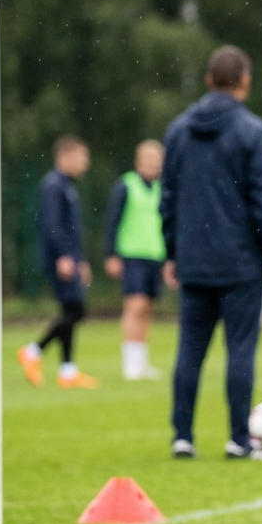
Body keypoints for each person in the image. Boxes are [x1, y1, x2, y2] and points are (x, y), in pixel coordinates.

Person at [160, 45, 262, 460]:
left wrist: (172, 251)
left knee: (190, 350)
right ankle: (239, 438)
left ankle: (183, 436)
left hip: (194, 259)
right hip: (239, 262)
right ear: (245, 81)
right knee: (240, 350)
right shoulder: (253, 132)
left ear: (208, 80)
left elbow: (168, 198)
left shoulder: (178, 131)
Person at [16, 136, 98, 389]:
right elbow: (52, 225)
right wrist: (64, 256)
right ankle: (33, 352)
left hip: (69, 258)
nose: (86, 162)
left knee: (69, 312)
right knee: (76, 311)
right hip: (59, 259)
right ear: (66, 156)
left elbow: (71, 229)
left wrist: (80, 259)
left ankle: (68, 371)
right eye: (82, 157)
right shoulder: (53, 185)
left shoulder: (67, 185)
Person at [104, 139, 166, 380]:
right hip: (132, 254)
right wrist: (111, 254)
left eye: (157, 161)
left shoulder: (161, 188)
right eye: (149, 161)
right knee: (135, 305)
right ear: (138, 162)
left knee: (148, 308)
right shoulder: (126, 185)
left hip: (154, 255)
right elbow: (112, 221)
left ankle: (141, 361)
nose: (153, 166)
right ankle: (130, 363)